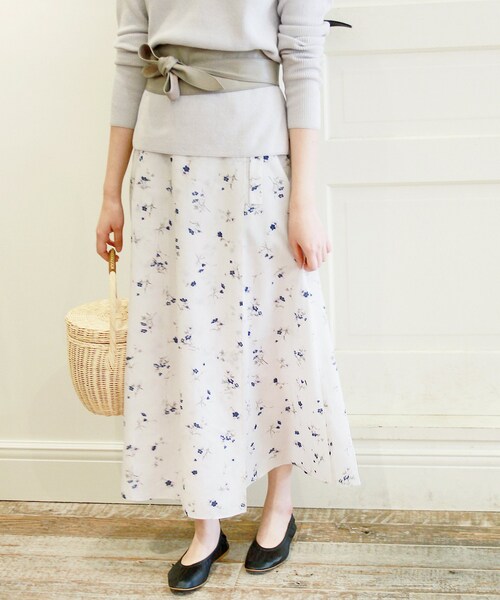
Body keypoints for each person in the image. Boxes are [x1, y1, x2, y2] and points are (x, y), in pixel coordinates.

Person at [96, 0, 361, 593]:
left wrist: (303, 201)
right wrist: (110, 193)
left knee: (275, 338)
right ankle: (206, 522)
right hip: (163, 172)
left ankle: (279, 504)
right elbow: (128, 60)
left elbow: (304, 61)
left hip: (257, 164)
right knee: (186, 347)